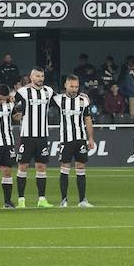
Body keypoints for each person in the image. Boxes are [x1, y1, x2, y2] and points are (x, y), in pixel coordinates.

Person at [14, 68, 55, 208]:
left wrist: (82, 95)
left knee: (41, 166)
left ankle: (42, 199)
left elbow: (63, 99)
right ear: (31, 77)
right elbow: (12, 104)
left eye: (42, 76)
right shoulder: (23, 92)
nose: (40, 78)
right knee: (23, 166)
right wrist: (17, 113)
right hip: (27, 136)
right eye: (37, 76)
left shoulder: (48, 91)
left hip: (42, 136)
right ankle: (21, 200)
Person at [55, 74, 96, 207]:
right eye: (71, 86)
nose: (74, 89)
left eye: (76, 86)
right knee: (65, 167)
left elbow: (88, 119)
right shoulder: (57, 99)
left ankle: (82, 200)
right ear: (65, 85)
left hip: (80, 139)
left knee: (81, 167)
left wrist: (90, 138)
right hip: (66, 140)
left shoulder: (83, 100)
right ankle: (63, 200)